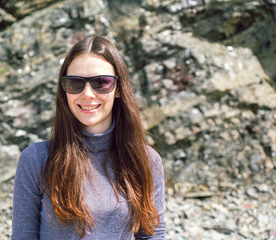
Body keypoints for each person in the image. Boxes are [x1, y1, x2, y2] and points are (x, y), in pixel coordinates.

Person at [12, 35, 166, 239]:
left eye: (101, 83)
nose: (87, 94)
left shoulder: (146, 161)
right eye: (75, 83)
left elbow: (152, 235)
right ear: (64, 90)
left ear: (118, 88)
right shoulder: (36, 159)